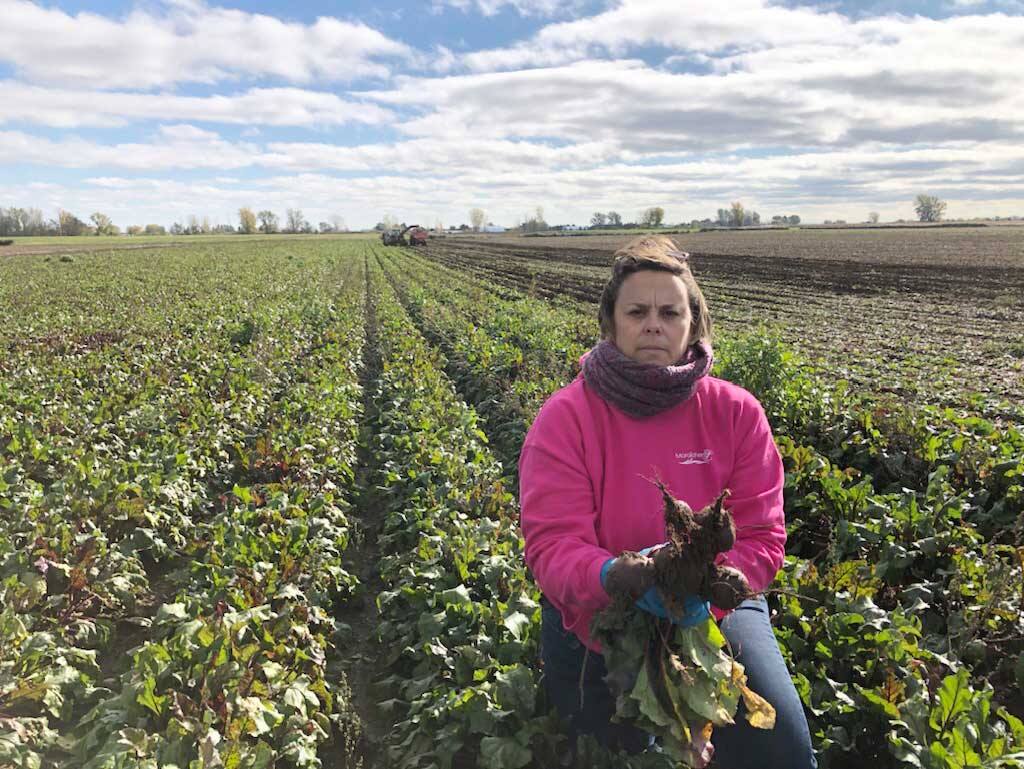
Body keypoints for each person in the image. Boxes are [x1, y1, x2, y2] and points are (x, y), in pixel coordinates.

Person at [518, 235, 816, 768]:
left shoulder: (736, 413)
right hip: (601, 609)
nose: (653, 323)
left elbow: (762, 536)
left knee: (782, 747)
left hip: (716, 607)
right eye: (637, 311)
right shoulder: (566, 417)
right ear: (611, 324)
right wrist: (618, 576)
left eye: (669, 312)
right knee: (615, 751)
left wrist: (716, 586)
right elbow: (553, 547)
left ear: (691, 324)